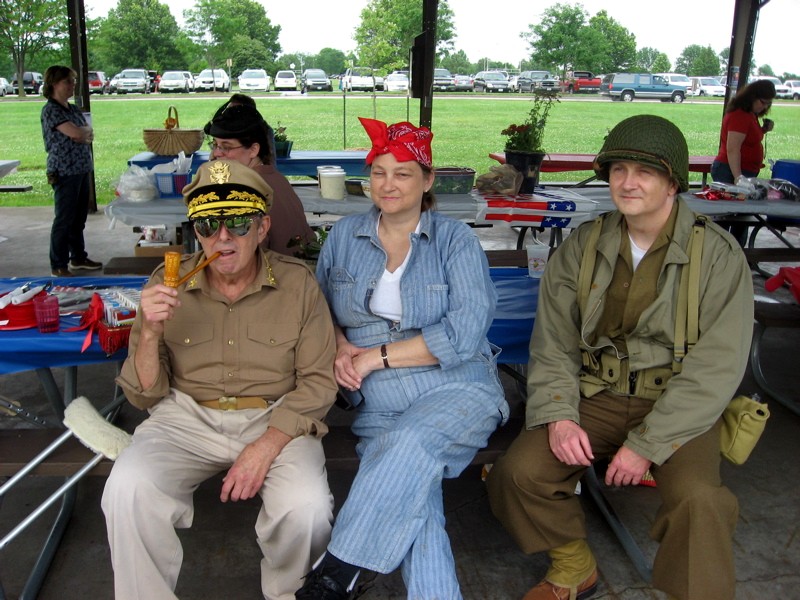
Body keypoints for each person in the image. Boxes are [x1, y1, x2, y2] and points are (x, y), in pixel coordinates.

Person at [486, 115, 754, 600]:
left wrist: (648, 444)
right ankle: (573, 567)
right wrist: (559, 414)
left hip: (677, 403)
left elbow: (716, 367)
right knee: (518, 474)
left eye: (645, 172)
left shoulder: (717, 255)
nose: (628, 182)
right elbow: (554, 341)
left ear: (673, 183)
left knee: (700, 501)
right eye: (618, 170)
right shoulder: (584, 245)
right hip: (598, 393)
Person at [101, 159, 338, 600]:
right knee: (127, 489)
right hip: (185, 417)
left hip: (275, 418)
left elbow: (319, 382)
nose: (222, 237)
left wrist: (265, 446)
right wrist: (148, 331)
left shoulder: (298, 285)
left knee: (306, 509)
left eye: (238, 223)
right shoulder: (166, 283)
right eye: (208, 225)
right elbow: (145, 394)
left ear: (263, 227)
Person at [295, 118, 509, 599]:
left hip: (457, 384)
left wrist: (372, 357)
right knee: (415, 497)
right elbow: (317, 308)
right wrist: (340, 343)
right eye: (379, 172)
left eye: (403, 173)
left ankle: (338, 570)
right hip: (381, 400)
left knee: (408, 444)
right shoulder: (345, 236)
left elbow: (465, 330)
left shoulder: (455, 240)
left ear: (428, 180)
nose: (387, 184)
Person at [203, 102, 315, 256]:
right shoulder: (276, 178)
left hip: (275, 269)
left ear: (253, 150)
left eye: (226, 147)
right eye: (215, 145)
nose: (216, 153)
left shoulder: (246, 192)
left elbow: (245, 259)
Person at [40, 65, 102, 277]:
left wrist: (82, 133)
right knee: (64, 219)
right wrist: (80, 133)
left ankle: (78, 257)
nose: (72, 85)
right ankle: (58, 264)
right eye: (68, 81)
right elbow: (77, 133)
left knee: (78, 218)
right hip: (64, 170)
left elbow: (88, 132)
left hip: (81, 168)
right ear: (54, 83)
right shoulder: (51, 110)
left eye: (73, 81)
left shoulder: (73, 109)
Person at [711, 78, 776, 185]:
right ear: (752, 97)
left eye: (768, 104)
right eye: (763, 102)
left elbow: (748, 137)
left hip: (743, 170)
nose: (765, 107)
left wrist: (764, 129)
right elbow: (733, 149)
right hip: (730, 171)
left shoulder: (750, 114)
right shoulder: (740, 115)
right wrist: (738, 177)